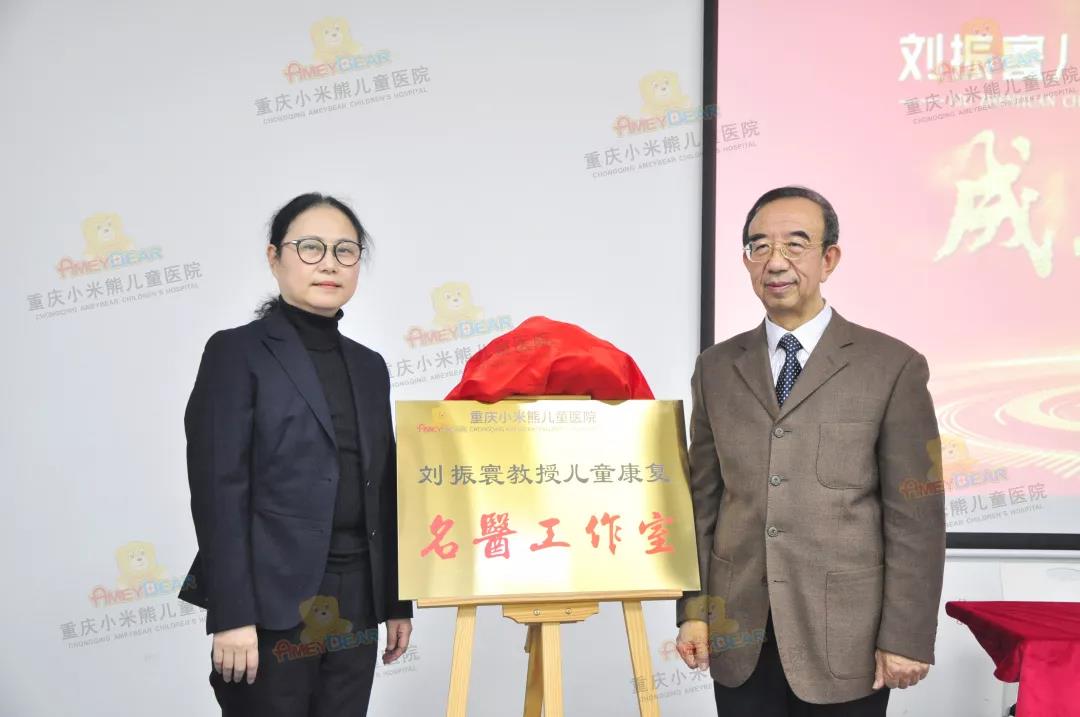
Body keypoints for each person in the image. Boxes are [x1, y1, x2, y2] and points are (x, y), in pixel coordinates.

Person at [675, 186, 945, 716]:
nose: (775, 262)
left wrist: (907, 635)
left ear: (829, 259)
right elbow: (701, 503)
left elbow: (916, 516)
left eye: (795, 245)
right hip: (739, 631)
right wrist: (694, 611)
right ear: (747, 260)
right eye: (759, 246)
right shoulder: (716, 368)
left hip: (847, 635)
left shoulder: (891, 366)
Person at [179, 192, 413, 716]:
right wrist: (231, 614)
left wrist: (396, 601)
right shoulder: (236, 353)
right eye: (310, 247)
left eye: (345, 251)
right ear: (274, 257)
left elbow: (385, 488)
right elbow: (218, 491)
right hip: (269, 602)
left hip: (357, 600)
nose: (329, 263)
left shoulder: (370, 366)